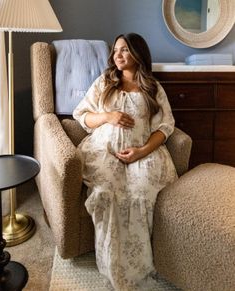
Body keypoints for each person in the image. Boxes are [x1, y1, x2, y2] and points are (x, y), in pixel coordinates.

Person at [73, 33, 178, 291]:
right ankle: (112, 267)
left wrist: (142, 152)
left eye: (124, 51)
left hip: (143, 152)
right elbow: (81, 115)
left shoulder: (152, 87)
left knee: (140, 195)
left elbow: (166, 126)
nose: (117, 56)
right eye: (116, 51)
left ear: (138, 54)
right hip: (103, 150)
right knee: (107, 195)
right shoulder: (105, 82)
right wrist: (108, 116)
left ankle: (140, 269)